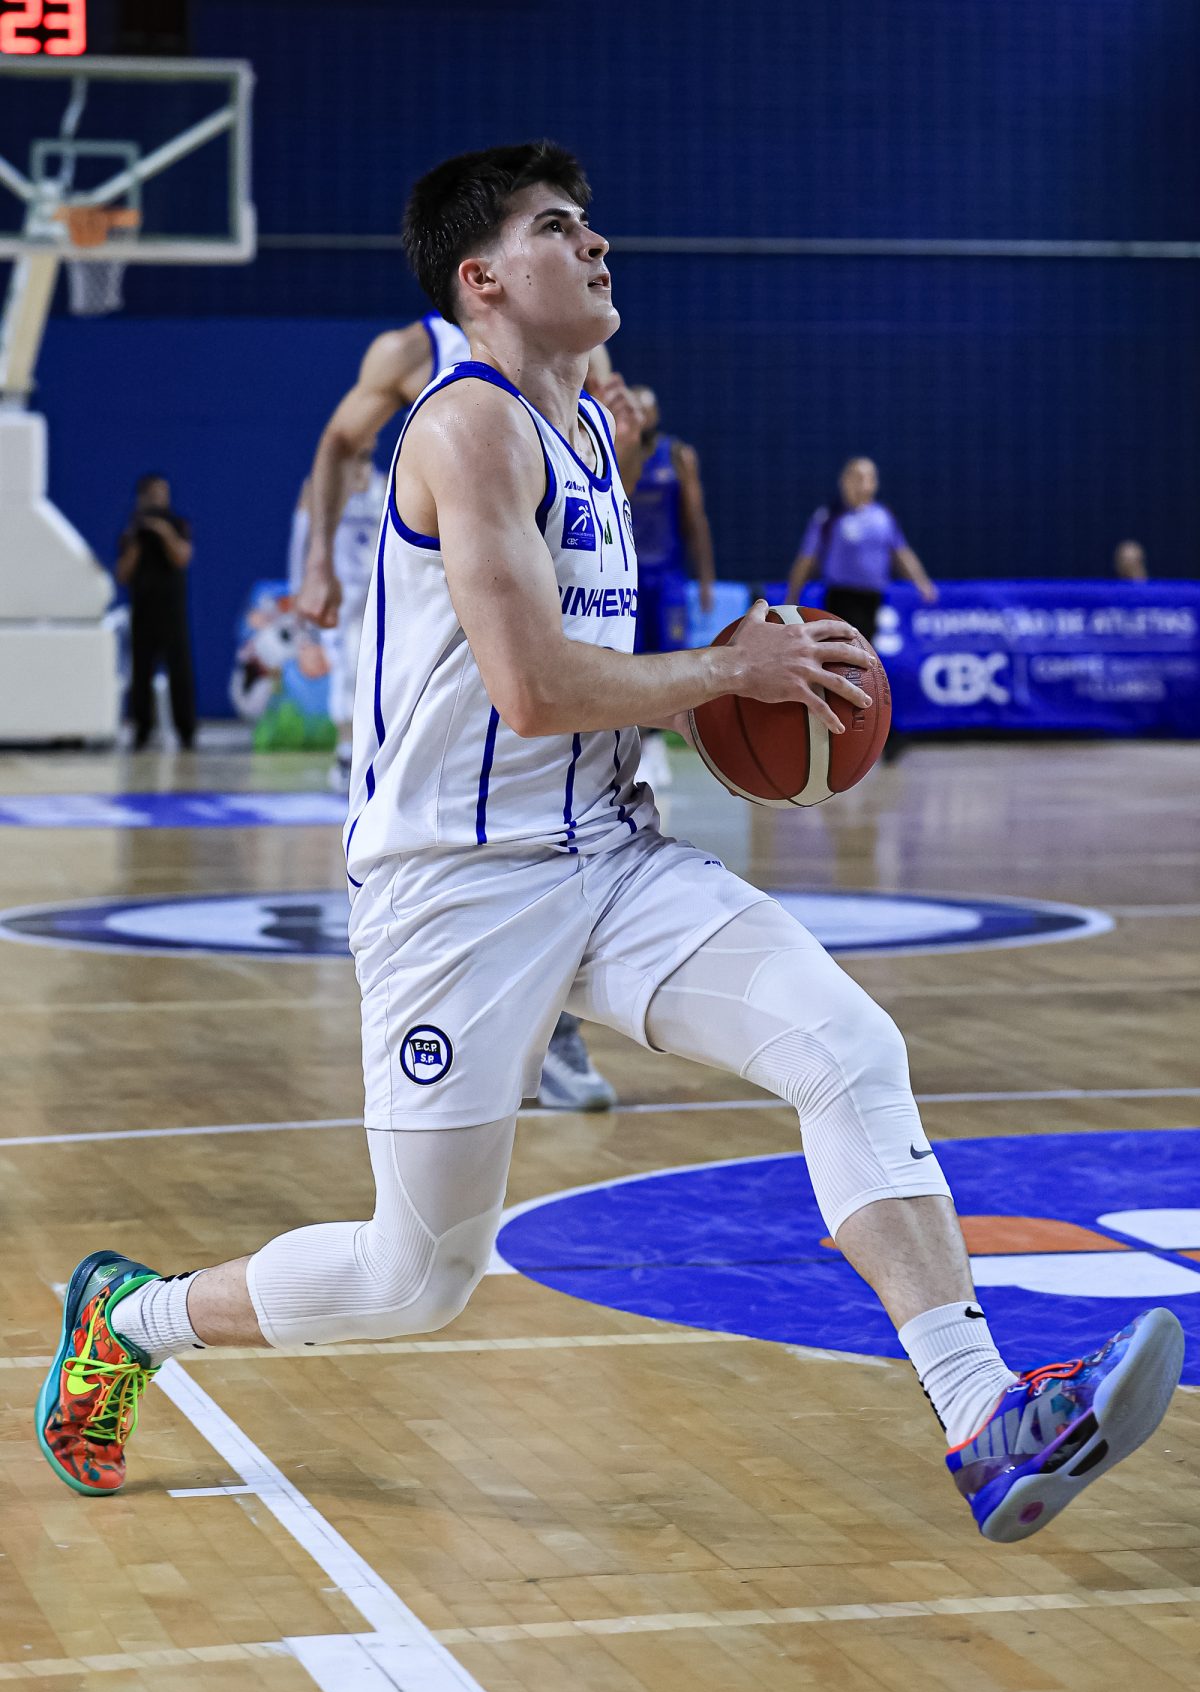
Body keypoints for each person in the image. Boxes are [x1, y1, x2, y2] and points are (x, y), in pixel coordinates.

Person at [40, 142, 1182, 1546]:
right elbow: (531, 689)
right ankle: (131, 1317)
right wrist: (730, 673)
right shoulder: (465, 427)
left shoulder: (590, 425)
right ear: (481, 277)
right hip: (456, 890)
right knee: (415, 1278)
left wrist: (726, 686)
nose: (595, 244)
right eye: (558, 227)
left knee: (849, 1047)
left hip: (610, 854)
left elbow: (593, 669)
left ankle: (984, 1414)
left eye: (591, 224)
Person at [293, 309, 624, 1108]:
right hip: (447, 597)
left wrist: (631, 446)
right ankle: (451, 1023)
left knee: (574, 805)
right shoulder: (413, 352)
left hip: (547, 587)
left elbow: (601, 494)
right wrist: (319, 560)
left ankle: (551, 1032)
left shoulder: (573, 347)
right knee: (464, 807)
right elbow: (339, 441)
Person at [627, 385, 716, 790]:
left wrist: (705, 578)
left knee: (670, 659)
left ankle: (659, 742)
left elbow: (695, 518)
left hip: (668, 576)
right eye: (637, 409)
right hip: (629, 576)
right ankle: (640, 743)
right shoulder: (615, 450)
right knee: (632, 662)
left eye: (648, 409)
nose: (643, 416)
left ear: (656, 414)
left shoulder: (677, 455)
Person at [287, 440, 387, 790]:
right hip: (338, 596)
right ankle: (346, 751)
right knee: (345, 671)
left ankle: (370, 752)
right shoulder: (318, 487)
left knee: (372, 674)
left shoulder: (385, 484)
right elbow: (301, 543)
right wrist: (300, 594)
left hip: (374, 597)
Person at [784, 457, 938, 643]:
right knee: (844, 647)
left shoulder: (883, 517)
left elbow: (901, 552)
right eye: (857, 477)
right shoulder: (829, 517)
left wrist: (922, 583)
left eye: (868, 478)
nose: (862, 483)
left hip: (873, 596)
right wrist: (793, 594)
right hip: (841, 596)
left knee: (866, 646)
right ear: (844, 481)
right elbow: (807, 559)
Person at [115, 473, 196, 750]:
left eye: (164, 493)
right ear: (142, 497)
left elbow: (182, 557)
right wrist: (137, 542)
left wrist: (163, 532)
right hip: (143, 610)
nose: (160, 499)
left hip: (172, 611)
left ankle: (186, 731)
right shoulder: (133, 531)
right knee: (141, 673)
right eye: (154, 494)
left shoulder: (177, 525)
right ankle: (141, 731)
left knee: (180, 672)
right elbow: (122, 574)